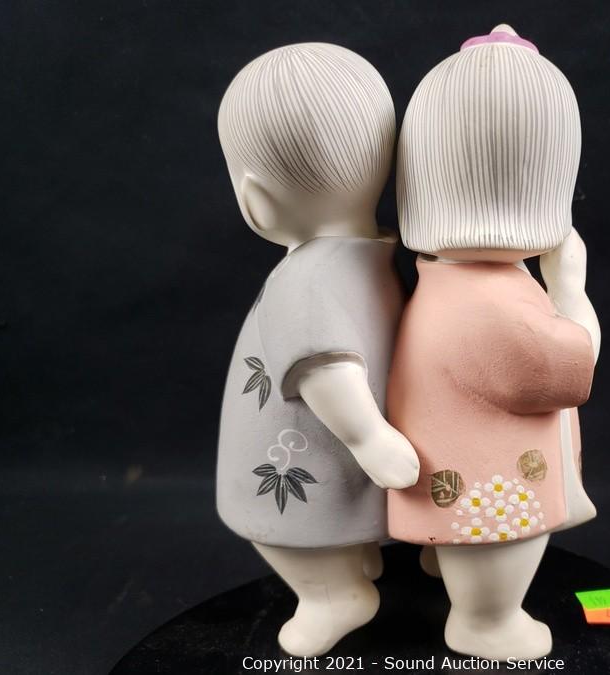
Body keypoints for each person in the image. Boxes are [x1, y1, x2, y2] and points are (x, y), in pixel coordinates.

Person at [387, 25, 601, 660]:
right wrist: (570, 290)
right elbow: (572, 366)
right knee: (502, 529)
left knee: (472, 513)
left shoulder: (447, 278)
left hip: (447, 451)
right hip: (487, 472)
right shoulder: (494, 301)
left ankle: (448, 560)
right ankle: (484, 619)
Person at [215, 43, 419, 657]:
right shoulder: (377, 252)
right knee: (339, 500)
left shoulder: (302, 281)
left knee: (280, 526)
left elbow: (323, 364)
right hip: (356, 443)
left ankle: (333, 594)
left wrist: (367, 437)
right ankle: (355, 554)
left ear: (255, 200)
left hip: (311, 444)